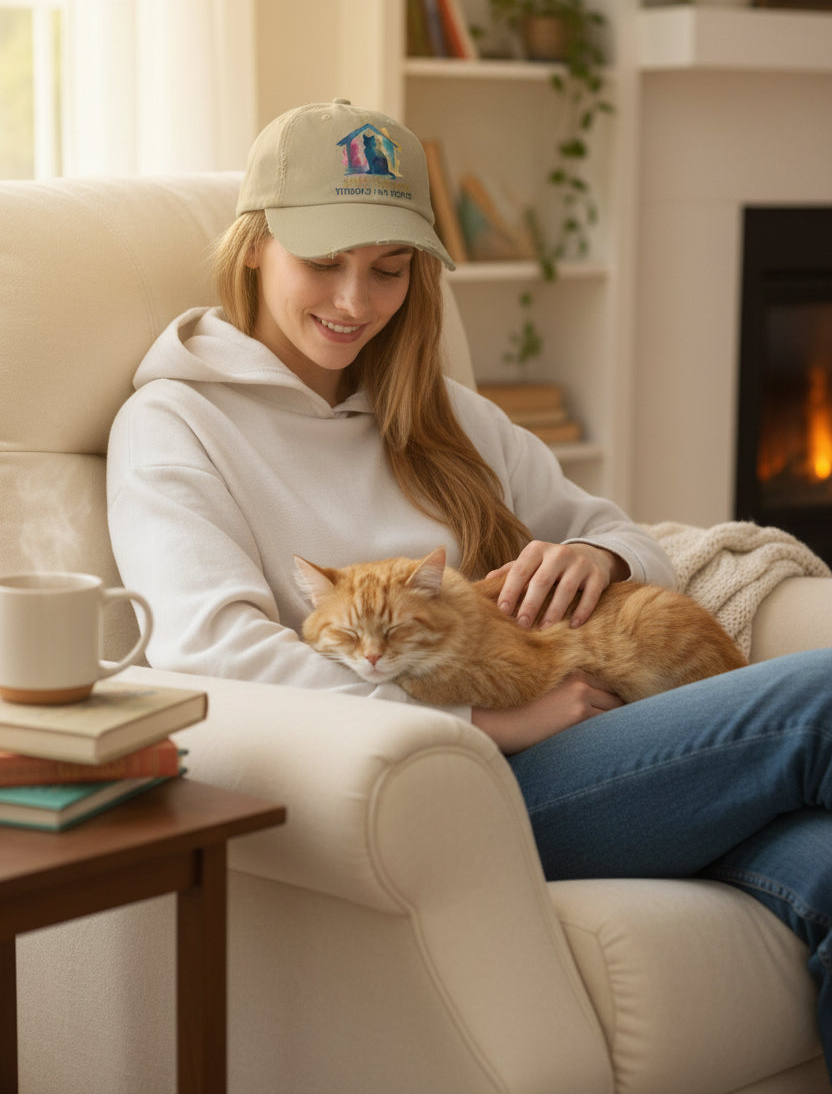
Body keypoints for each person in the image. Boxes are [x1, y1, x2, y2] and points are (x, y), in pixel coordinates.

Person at [107, 98, 832, 1071]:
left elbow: (623, 533)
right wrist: (482, 730)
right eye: (323, 262)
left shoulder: (445, 412)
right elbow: (211, 652)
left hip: (603, 739)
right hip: (460, 790)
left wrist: (600, 559)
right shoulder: (175, 425)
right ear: (253, 248)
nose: (355, 301)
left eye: (388, 267)